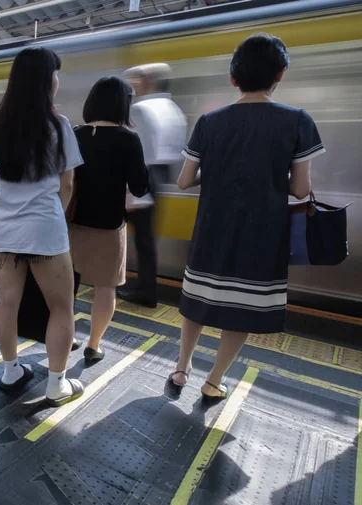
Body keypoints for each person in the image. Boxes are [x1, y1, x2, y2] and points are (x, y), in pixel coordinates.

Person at [169, 33, 324, 403]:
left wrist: (220, 169)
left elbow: (185, 180)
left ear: (233, 79)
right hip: (263, 233)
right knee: (242, 308)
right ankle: (214, 380)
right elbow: (301, 191)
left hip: (212, 228)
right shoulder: (298, 121)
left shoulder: (209, 121)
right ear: (280, 74)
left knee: (199, 299)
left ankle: (180, 369)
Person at [0, 47, 85, 406]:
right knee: (61, 307)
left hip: (3, 229)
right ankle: (57, 384)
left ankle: (11, 371)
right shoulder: (57, 126)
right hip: (44, 229)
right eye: (55, 75)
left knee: (6, 303)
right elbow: (68, 185)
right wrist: (52, 217)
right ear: (46, 81)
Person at [71, 76, 149, 365]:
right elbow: (140, 187)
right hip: (109, 225)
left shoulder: (75, 134)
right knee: (106, 288)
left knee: (68, 284)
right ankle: (94, 344)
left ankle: (66, 336)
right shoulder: (128, 138)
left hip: (72, 223)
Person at [119, 63, 187, 308]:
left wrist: (131, 189)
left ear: (148, 80)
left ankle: (121, 284)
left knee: (116, 232)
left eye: (137, 79)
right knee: (146, 241)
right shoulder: (174, 109)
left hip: (141, 176)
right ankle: (145, 289)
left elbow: (140, 151)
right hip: (161, 177)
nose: (133, 84)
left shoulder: (141, 109)